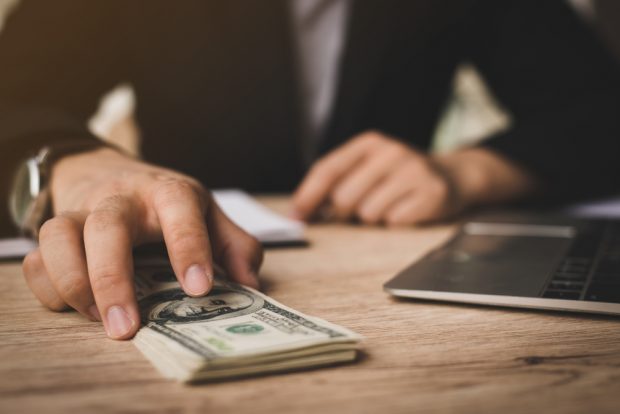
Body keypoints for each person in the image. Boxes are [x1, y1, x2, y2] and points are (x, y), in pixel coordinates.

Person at [1, 0, 619, 340]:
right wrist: (68, 167)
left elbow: (598, 108)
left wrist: (470, 172)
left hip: (387, 272)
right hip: (171, 260)